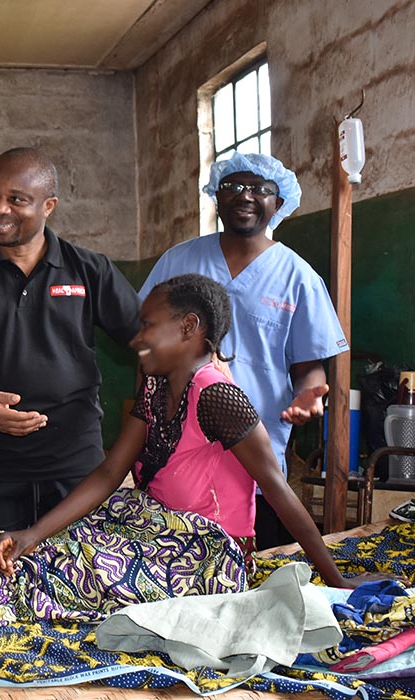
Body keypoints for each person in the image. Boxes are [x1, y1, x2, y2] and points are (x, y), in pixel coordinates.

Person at [0, 274, 390, 590]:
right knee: (56, 548)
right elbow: (109, 473)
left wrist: (336, 578)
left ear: (188, 327)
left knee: (67, 569)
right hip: (158, 533)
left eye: (147, 325)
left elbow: (276, 488)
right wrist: (33, 534)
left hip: (206, 555)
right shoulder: (154, 389)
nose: (136, 338)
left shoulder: (217, 397)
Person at [0, 147, 141, 539]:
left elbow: (148, 345)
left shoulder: (90, 270)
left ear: (48, 205)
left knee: (81, 583)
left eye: (16, 199)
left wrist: (207, 359)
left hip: (77, 471)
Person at [138, 153, 349, 550]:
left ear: (279, 201)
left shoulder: (298, 278)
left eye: (259, 189)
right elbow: (145, 339)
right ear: (216, 197)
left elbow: (310, 367)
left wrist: (308, 393)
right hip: (178, 454)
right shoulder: (178, 262)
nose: (245, 196)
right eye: (232, 187)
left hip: (255, 456)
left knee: (250, 568)